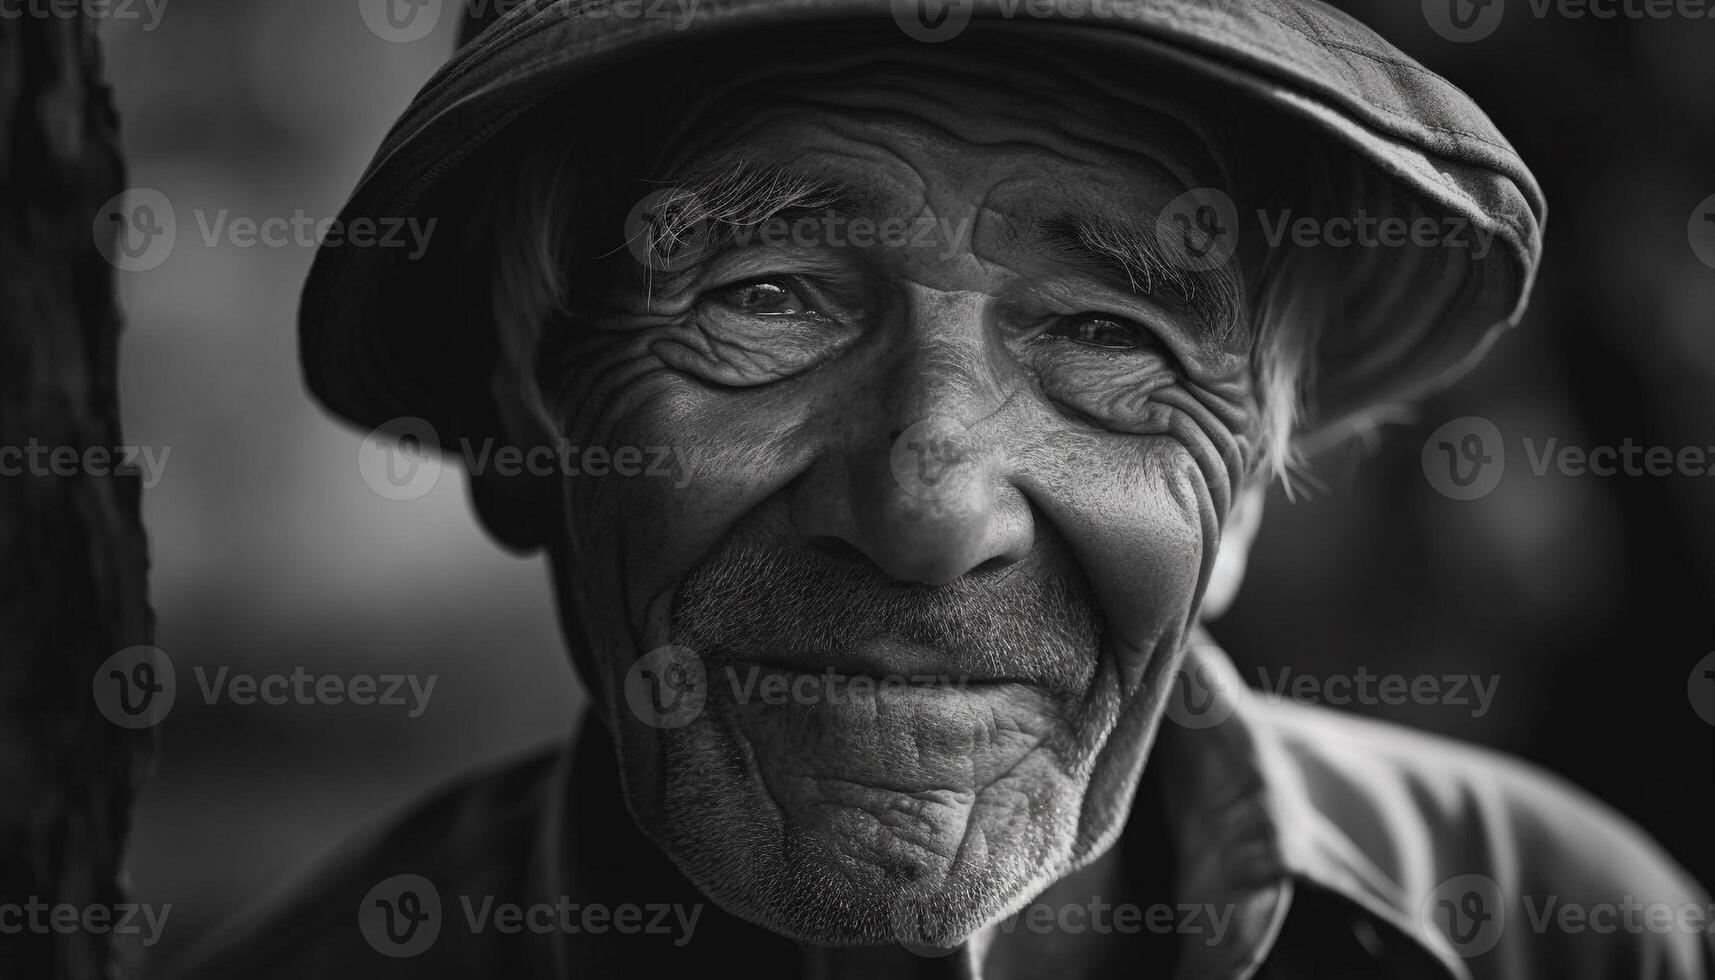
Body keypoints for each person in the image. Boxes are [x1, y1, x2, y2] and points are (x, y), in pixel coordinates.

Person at [167, 1, 1712, 977]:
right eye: (765, 299)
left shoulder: (1551, 926)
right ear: (523, 440)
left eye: (1111, 335)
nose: (931, 510)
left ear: (1241, 498)